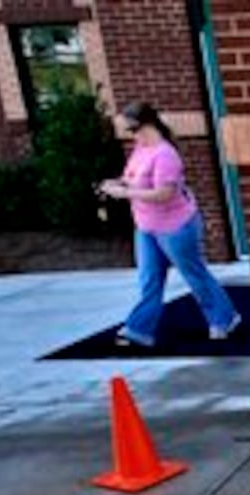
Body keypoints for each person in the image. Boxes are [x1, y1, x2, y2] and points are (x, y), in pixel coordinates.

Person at [98, 102, 240, 348]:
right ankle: (138, 330)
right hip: (145, 227)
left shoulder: (165, 154)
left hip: (176, 226)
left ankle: (224, 319)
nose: (132, 135)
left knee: (194, 275)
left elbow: (164, 194)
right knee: (149, 279)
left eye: (133, 129)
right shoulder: (141, 149)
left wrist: (126, 194)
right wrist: (116, 183)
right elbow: (131, 177)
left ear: (148, 124)